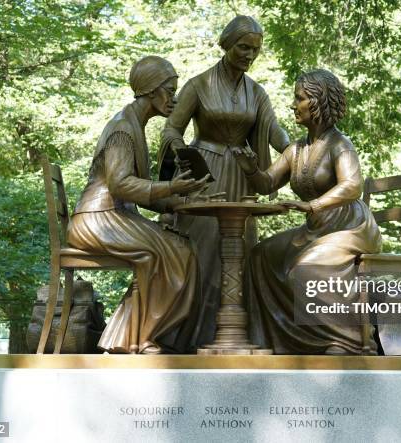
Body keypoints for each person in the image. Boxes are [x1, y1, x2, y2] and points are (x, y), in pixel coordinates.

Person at [159, 15, 289, 346]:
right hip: (204, 174)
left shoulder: (257, 93)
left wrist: (294, 149)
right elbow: (172, 127)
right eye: (243, 47)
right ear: (227, 45)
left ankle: (231, 334)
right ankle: (184, 337)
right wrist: (178, 148)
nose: (249, 55)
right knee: (200, 252)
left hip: (241, 175)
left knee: (238, 252)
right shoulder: (199, 85)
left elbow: (273, 129)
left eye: (255, 50)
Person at [232, 69, 382, 354]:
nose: (293, 105)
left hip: (349, 227)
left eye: (298, 98)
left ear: (317, 102)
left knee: (306, 269)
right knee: (259, 256)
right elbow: (267, 183)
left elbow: (353, 186)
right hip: (316, 229)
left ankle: (347, 341)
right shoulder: (296, 149)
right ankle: (278, 340)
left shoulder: (340, 144)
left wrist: (312, 205)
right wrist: (250, 167)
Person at [67, 56, 208, 354]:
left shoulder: (135, 124)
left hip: (114, 216)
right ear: (150, 90)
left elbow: (139, 191)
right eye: (170, 90)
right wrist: (171, 187)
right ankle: (141, 338)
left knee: (181, 247)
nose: (174, 98)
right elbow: (121, 185)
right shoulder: (123, 129)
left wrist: (181, 201)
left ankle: (130, 337)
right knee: (170, 252)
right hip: (97, 219)